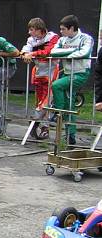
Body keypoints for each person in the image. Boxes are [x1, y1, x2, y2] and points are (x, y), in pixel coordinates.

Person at [50, 15, 93, 146]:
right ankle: (71, 136)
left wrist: (65, 53)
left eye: (63, 29)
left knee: (56, 85)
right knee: (70, 104)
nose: (61, 32)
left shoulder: (86, 38)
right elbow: (53, 51)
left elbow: (84, 53)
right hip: (68, 73)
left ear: (72, 28)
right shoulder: (62, 40)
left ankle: (59, 112)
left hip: (80, 73)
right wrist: (73, 51)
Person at [20, 18, 59, 140]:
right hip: (38, 72)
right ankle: (40, 127)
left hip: (51, 72)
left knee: (46, 102)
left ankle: (38, 123)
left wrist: (32, 54)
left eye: (31, 29)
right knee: (39, 101)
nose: (29, 32)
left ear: (39, 30)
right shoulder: (31, 40)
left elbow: (49, 51)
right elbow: (26, 48)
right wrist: (25, 54)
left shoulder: (53, 37)